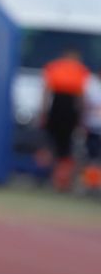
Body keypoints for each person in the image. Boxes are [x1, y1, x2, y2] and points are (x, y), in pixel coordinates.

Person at [40, 49, 90, 191]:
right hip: (68, 110)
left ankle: (57, 179)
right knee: (64, 148)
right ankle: (61, 180)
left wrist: (44, 112)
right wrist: (81, 117)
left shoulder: (54, 67)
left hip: (57, 108)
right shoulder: (80, 70)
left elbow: (46, 92)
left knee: (55, 145)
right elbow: (81, 97)